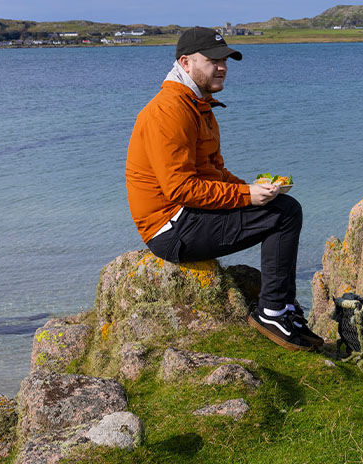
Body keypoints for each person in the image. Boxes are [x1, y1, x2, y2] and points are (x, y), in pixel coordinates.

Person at [125, 27, 323, 352]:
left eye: (225, 59)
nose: (222, 66)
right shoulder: (168, 111)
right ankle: (272, 312)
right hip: (172, 228)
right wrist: (246, 197)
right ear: (185, 62)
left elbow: (212, 172)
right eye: (213, 59)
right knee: (284, 215)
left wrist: (252, 188)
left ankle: (285, 309)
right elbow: (182, 189)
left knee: (284, 208)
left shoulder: (198, 105)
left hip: (188, 216)